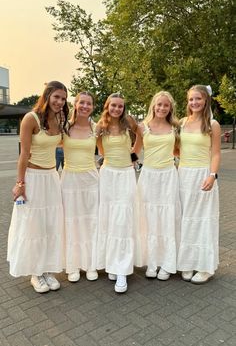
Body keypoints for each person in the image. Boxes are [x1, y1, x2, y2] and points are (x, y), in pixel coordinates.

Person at [7, 81, 69, 293]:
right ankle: (36, 272)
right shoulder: (30, 118)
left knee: (50, 224)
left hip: (52, 177)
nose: (60, 102)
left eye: (63, 98)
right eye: (56, 97)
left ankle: (48, 269)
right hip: (33, 178)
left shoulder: (61, 119)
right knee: (34, 225)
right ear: (47, 95)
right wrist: (20, 183)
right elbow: (23, 154)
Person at [133, 91, 181, 280]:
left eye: (166, 105)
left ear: (170, 108)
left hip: (169, 176)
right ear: (153, 105)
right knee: (150, 219)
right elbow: (135, 152)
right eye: (159, 104)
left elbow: (179, 150)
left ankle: (167, 263)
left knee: (167, 218)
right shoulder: (142, 127)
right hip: (149, 177)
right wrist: (115, 163)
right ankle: (152, 262)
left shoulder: (176, 127)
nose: (162, 108)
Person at [96, 93, 140, 293]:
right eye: (113, 105)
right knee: (108, 218)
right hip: (108, 175)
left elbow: (141, 135)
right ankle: (111, 262)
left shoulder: (128, 121)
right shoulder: (100, 125)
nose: (117, 109)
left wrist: (133, 154)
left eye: (120, 106)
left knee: (123, 220)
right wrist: (106, 157)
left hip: (126, 174)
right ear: (107, 106)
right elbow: (98, 147)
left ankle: (122, 268)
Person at [177, 84, 221, 284]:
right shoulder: (182, 123)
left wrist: (212, 175)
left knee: (202, 220)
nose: (194, 102)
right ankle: (187, 262)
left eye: (198, 99)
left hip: (203, 175)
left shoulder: (213, 124)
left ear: (206, 101)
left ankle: (205, 266)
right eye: (191, 99)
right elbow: (176, 148)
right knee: (185, 219)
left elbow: (216, 153)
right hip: (183, 175)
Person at [61, 91, 99, 282]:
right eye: (81, 103)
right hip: (69, 180)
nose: (85, 106)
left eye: (89, 104)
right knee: (72, 221)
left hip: (91, 179)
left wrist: (132, 160)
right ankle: (73, 265)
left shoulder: (96, 127)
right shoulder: (64, 127)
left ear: (93, 107)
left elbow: (113, 147)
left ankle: (91, 263)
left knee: (91, 221)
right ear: (75, 104)